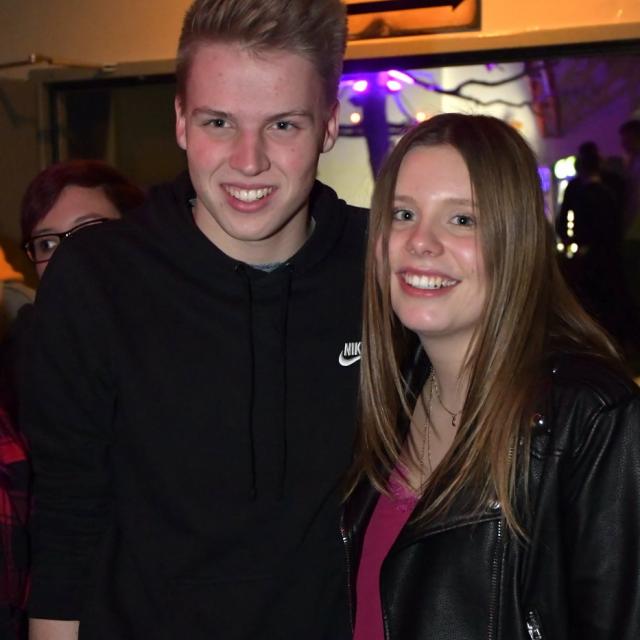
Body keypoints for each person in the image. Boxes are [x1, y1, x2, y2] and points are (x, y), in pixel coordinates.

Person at [23, 1, 366, 639]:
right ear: (181, 120)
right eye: (218, 122)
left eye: (283, 125)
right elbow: (66, 523)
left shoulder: (382, 267)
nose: (248, 161)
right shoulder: (96, 279)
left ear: (328, 125)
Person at [342, 113, 640, 639]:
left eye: (462, 220)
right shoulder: (391, 395)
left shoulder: (591, 419)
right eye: (403, 213)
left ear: (515, 240)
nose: (420, 242)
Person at [0, 160, 144, 640]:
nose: (68, 257)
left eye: (88, 232)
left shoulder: (187, 349)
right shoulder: (19, 374)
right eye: (47, 243)